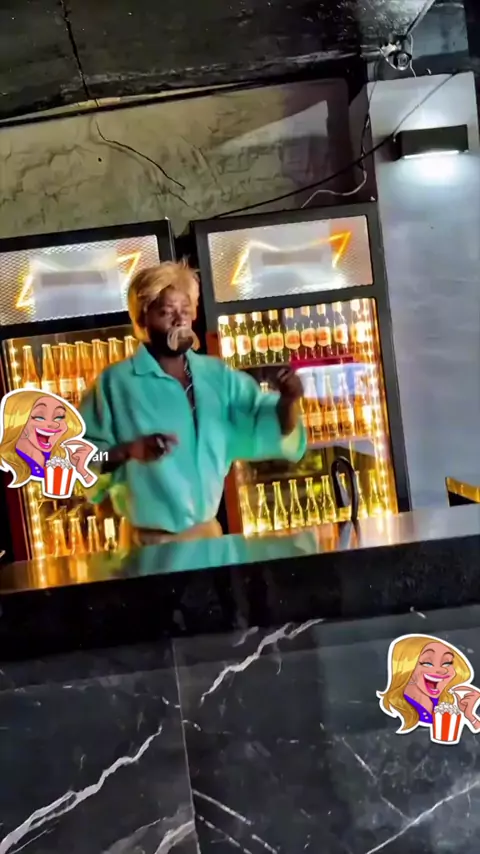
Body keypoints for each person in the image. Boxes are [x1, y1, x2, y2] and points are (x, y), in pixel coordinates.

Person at [80, 260, 306, 545]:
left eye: (185, 311)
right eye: (166, 312)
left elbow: (273, 427)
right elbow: (80, 461)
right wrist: (128, 451)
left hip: (208, 542)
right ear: (142, 319)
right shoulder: (115, 384)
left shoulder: (218, 377)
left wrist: (288, 400)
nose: (179, 321)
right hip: (147, 549)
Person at [377, 634, 480, 733]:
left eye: (447, 663)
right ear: (406, 668)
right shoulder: (394, 711)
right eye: (427, 663)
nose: (441, 670)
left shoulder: (447, 704)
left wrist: (469, 716)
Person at [0, 388, 95, 489]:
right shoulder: (8, 465)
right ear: (17, 422)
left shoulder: (58, 456)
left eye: (59, 417)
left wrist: (81, 469)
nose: (53, 424)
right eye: (39, 417)